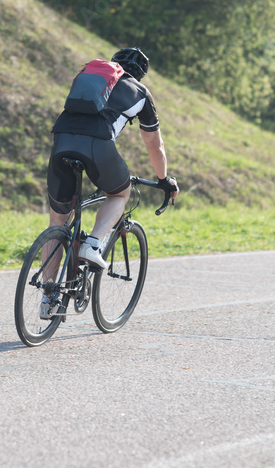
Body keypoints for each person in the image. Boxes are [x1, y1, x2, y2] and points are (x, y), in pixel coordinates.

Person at [42, 46, 178, 318]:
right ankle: (93, 244)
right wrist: (164, 179)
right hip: (97, 146)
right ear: (141, 74)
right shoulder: (140, 92)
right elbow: (154, 145)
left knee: (58, 221)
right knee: (119, 193)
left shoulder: (90, 75)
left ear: (114, 65)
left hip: (61, 141)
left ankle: (48, 297)